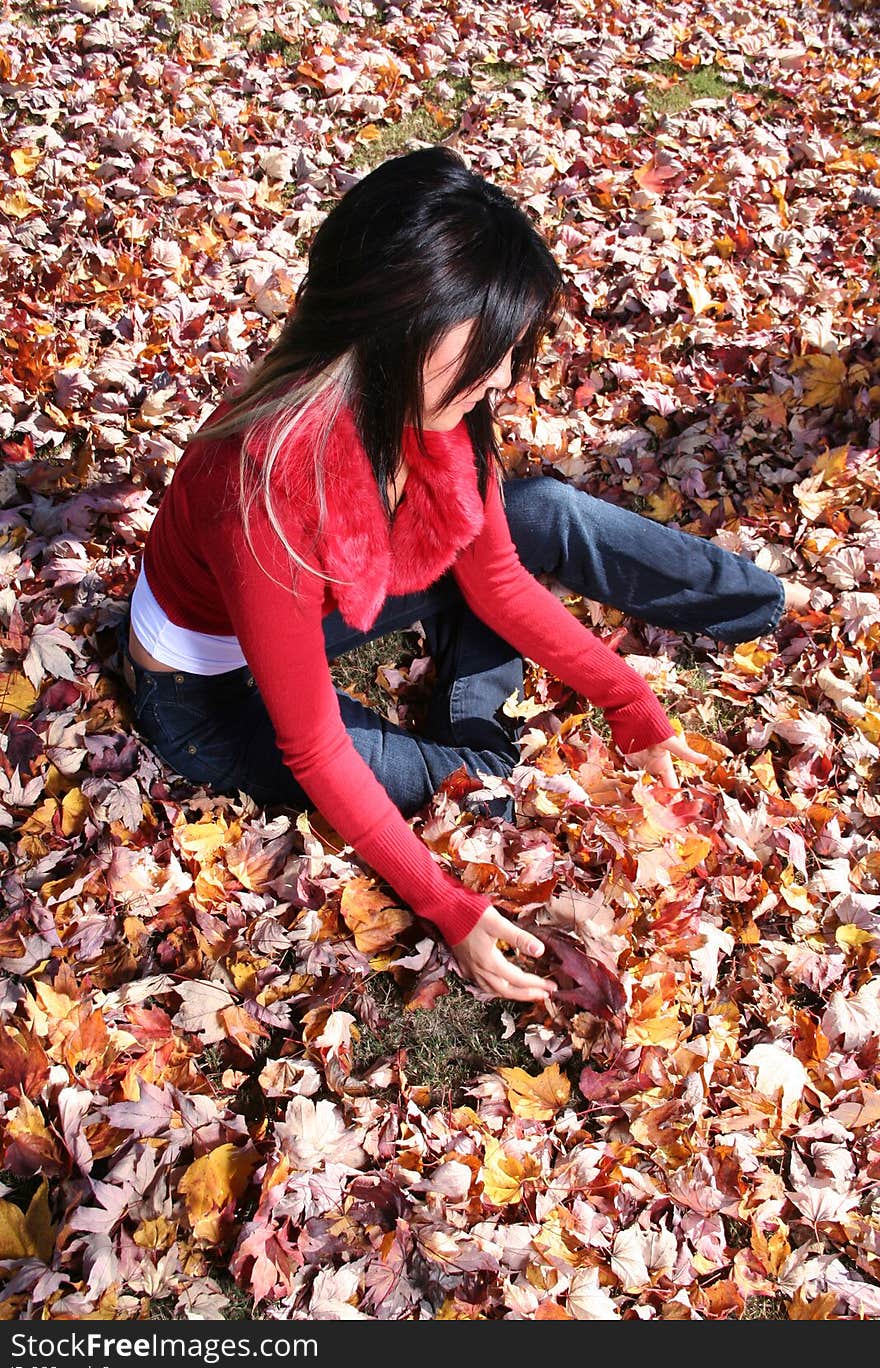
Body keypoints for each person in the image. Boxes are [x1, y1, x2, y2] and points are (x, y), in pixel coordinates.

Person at [120, 144, 806, 1005]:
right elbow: (316, 746)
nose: (504, 381)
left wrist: (628, 699)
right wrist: (450, 907)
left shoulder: (425, 401)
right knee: (481, 781)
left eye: (509, 353)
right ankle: (469, 719)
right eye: (484, 357)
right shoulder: (267, 483)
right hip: (208, 695)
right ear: (388, 325)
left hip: (319, 599)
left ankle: (758, 602)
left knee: (543, 509)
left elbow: (501, 582)